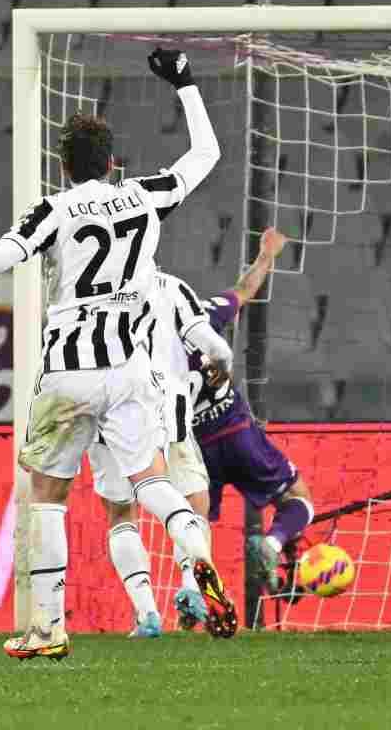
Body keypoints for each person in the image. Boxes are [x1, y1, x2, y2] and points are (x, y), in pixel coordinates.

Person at [0, 49, 237, 659]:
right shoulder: (144, 196)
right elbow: (205, 157)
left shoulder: (54, 210)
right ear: (112, 163)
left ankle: (48, 629)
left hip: (69, 368)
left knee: (47, 494)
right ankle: (195, 550)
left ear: (64, 165)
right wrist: (184, 80)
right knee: (150, 481)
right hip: (132, 369)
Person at [90, 227, 290, 634]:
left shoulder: (88, 296)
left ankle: (146, 614)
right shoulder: (175, 292)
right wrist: (266, 257)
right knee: (192, 505)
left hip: (107, 412)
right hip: (170, 413)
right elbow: (231, 316)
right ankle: (193, 585)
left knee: (120, 514)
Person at [185, 229, 314, 596]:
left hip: (195, 448)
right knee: (298, 497)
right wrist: (266, 254)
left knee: (194, 527)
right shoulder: (202, 315)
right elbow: (244, 290)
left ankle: (195, 599)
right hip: (237, 432)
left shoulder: (146, 342)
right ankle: (271, 544)